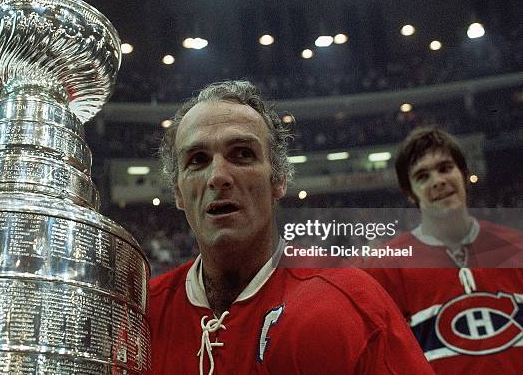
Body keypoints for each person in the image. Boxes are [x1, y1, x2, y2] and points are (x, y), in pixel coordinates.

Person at [148, 80, 433, 374]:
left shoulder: (352, 303)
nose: (218, 176)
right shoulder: (141, 316)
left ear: (279, 180)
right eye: (197, 160)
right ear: (178, 193)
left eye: (242, 154)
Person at [364, 127, 523, 374]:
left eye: (445, 168)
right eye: (422, 176)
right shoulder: (385, 267)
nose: (438, 181)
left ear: (464, 173)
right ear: (409, 194)